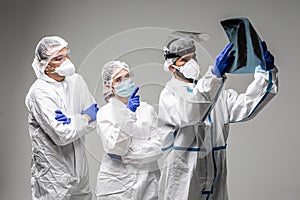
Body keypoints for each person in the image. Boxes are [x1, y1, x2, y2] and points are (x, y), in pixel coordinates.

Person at [158, 38, 278, 200]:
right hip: (183, 180)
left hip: (215, 178)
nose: (191, 63)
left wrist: (265, 73)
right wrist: (214, 77)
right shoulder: (170, 94)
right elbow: (191, 113)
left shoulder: (216, 92)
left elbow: (247, 107)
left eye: (193, 57)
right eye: (184, 60)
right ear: (172, 66)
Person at [25, 36, 99, 200]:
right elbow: (62, 136)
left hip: (81, 170)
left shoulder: (76, 81)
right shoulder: (40, 93)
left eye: (67, 55)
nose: (66, 61)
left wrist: (74, 121)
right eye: (59, 58)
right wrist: (84, 116)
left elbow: (96, 119)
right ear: (44, 64)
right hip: (54, 175)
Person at [95, 61, 162, 200]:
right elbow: (115, 148)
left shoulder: (146, 110)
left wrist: (127, 155)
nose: (125, 82)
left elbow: (158, 147)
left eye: (127, 76)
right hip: (116, 186)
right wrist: (129, 114)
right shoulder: (105, 113)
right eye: (118, 79)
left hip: (148, 182)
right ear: (109, 86)